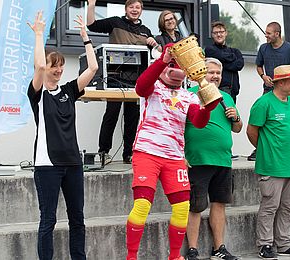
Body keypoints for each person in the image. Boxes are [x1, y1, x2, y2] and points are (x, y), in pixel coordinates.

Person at [125, 44, 220, 260]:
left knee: (181, 208)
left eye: (180, 69)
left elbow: (198, 122)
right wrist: (163, 59)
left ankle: (175, 256)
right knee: (142, 205)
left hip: (175, 157)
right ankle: (131, 256)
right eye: (172, 66)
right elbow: (140, 87)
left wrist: (207, 108)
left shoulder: (189, 96)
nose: (177, 73)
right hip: (146, 152)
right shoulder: (153, 87)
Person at [27, 11, 98, 260]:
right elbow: (38, 65)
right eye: (53, 65)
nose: (57, 69)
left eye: (60, 66)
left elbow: (93, 67)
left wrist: (85, 38)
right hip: (47, 166)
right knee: (48, 220)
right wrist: (38, 35)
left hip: (73, 164)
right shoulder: (37, 94)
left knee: (77, 219)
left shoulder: (69, 90)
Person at [184, 58, 242, 260]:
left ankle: (219, 248)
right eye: (211, 72)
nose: (215, 76)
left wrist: (236, 117)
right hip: (198, 159)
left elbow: (237, 128)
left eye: (218, 73)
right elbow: (176, 127)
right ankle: (192, 249)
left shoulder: (226, 96)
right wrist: (181, 155)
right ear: (201, 73)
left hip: (223, 160)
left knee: (219, 204)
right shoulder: (189, 95)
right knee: (196, 206)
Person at [87, 0, 158, 164]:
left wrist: (153, 43)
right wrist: (91, 5)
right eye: (131, 7)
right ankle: (104, 152)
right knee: (111, 115)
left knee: (132, 118)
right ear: (126, 9)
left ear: (141, 10)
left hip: (136, 81)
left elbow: (156, 54)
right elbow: (91, 25)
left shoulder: (146, 31)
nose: (134, 10)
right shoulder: (115, 22)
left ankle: (129, 154)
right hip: (114, 78)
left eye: (138, 7)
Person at [246, 65, 290, 259]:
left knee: (287, 207)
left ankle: (284, 243)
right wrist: (266, 150)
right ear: (281, 82)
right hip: (271, 165)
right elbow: (251, 132)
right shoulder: (263, 103)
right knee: (269, 207)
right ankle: (265, 244)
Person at [248, 21, 290, 161]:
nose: (266, 35)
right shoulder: (263, 48)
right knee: (266, 120)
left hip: (287, 92)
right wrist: (263, 76)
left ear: (277, 34)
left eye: (269, 33)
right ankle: (261, 149)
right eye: (266, 33)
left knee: (286, 121)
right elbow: (259, 66)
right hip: (268, 89)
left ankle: (288, 149)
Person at [204, 21, 244, 104]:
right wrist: (232, 58)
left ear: (226, 33)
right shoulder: (210, 50)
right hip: (217, 89)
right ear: (212, 35)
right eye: (215, 33)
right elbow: (222, 56)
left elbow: (239, 65)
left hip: (233, 91)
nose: (219, 35)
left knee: (231, 114)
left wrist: (223, 63)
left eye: (221, 32)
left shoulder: (235, 51)